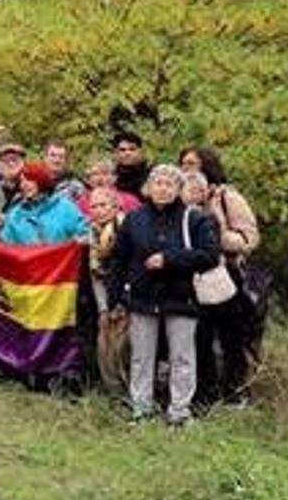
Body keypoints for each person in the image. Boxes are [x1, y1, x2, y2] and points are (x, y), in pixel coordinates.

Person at [110, 164, 221, 425]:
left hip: (181, 297)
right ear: (149, 187)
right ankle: (141, 407)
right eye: (158, 183)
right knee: (141, 356)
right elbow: (119, 260)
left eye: (169, 184)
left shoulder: (194, 219)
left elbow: (210, 255)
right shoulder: (134, 218)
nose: (163, 189)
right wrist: (115, 299)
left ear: (179, 189)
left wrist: (170, 259)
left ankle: (180, 411)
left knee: (182, 356)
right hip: (142, 297)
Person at [181, 147, 262, 407]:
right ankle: (204, 392)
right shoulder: (178, 201)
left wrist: (216, 238)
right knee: (199, 337)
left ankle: (235, 390)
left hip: (226, 274)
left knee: (232, 337)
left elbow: (250, 238)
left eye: (193, 163)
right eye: (184, 163)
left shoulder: (227, 197)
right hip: (190, 277)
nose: (188, 168)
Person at [85, 186, 129, 393]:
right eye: (93, 206)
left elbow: (131, 269)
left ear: (115, 205)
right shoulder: (92, 232)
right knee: (105, 345)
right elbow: (96, 275)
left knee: (124, 347)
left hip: (128, 299)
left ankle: (132, 392)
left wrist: (121, 303)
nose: (98, 210)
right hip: (105, 296)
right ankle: (114, 392)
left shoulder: (126, 228)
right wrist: (103, 307)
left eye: (103, 205)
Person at [0, 161, 89, 246]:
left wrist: (79, 241)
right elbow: (5, 246)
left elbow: (85, 232)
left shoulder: (64, 207)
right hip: (31, 262)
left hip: (60, 261)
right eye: (21, 181)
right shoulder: (15, 215)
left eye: (29, 180)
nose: (24, 184)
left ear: (41, 180)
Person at [76, 159, 142, 217]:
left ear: (114, 178)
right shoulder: (81, 203)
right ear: (87, 180)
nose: (100, 178)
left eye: (105, 173)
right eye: (95, 174)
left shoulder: (129, 201)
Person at [112, 132, 150, 199]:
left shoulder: (151, 175)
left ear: (140, 151)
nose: (127, 153)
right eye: (122, 150)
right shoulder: (112, 177)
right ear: (116, 153)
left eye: (132, 149)